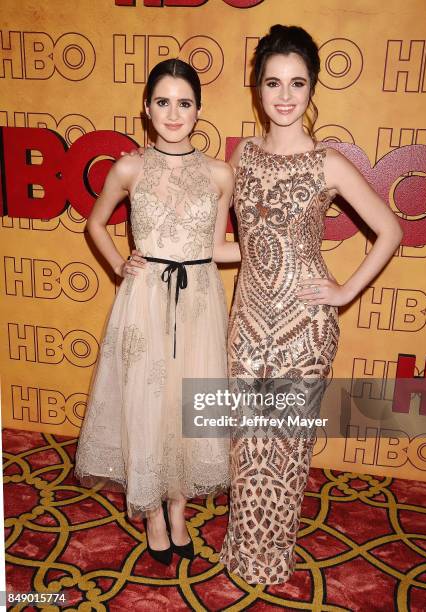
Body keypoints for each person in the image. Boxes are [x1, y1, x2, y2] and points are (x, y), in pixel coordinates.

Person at [217, 25, 403, 584]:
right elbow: (235, 246)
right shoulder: (242, 157)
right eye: (273, 82)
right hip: (247, 318)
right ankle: (241, 550)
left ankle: (273, 556)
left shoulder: (328, 164)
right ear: (257, 88)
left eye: (297, 83)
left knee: (287, 446)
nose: (284, 95)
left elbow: (390, 230)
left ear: (312, 88)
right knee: (245, 441)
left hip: (306, 324)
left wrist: (344, 292)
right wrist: (161, 250)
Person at [74, 58, 239, 566]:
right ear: (146, 109)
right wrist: (120, 263)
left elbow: (216, 249)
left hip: (198, 300)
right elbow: (96, 225)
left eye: (184, 103)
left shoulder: (218, 173)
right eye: (162, 102)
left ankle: (179, 509)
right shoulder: (129, 167)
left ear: (198, 110)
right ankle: (151, 514)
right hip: (144, 298)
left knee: (189, 404)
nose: (173, 112)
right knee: (147, 400)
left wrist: (273, 248)